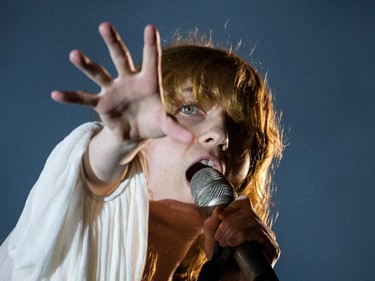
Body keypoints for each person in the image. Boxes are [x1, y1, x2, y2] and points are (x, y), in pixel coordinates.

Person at [0, 22, 283, 280]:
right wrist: (115, 141)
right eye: (188, 109)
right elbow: (86, 179)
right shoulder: (75, 226)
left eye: (240, 128)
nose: (221, 136)